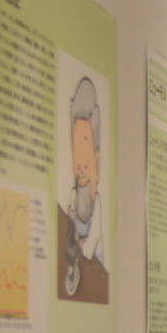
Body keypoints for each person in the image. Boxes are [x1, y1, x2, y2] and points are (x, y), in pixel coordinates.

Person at [58, 76, 110, 302]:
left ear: (98, 163)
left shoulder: (96, 204)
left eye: (86, 166)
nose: (80, 172)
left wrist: (81, 247)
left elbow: (91, 243)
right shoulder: (74, 197)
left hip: (94, 275)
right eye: (77, 165)